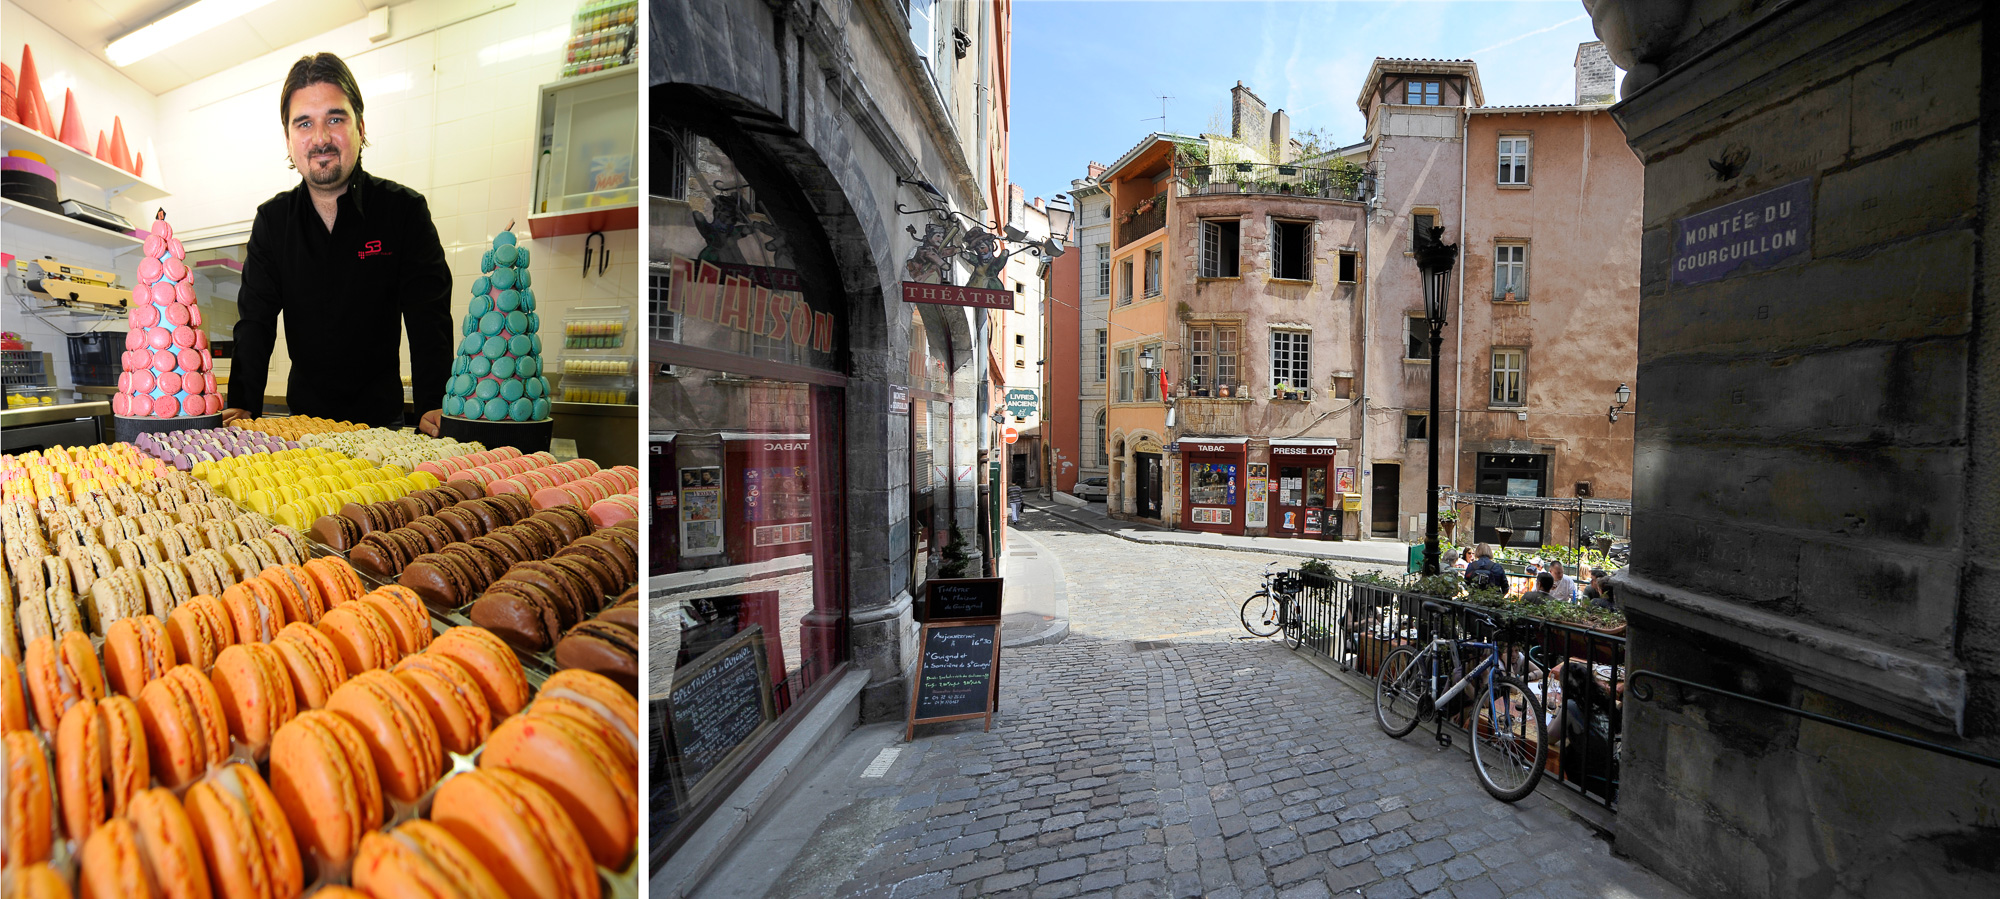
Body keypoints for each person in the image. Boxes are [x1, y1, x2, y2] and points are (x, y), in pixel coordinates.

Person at [223, 53, 452, 431]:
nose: (321, 138)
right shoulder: (272, 222)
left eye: (335, 118)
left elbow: (429, 318)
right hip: (302, 428)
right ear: (289, 138)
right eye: (304, 124)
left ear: (360, 126)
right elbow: (254, 322)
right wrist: (243, 404)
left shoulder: (404, 211)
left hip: (385, 426)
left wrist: (435, 403)